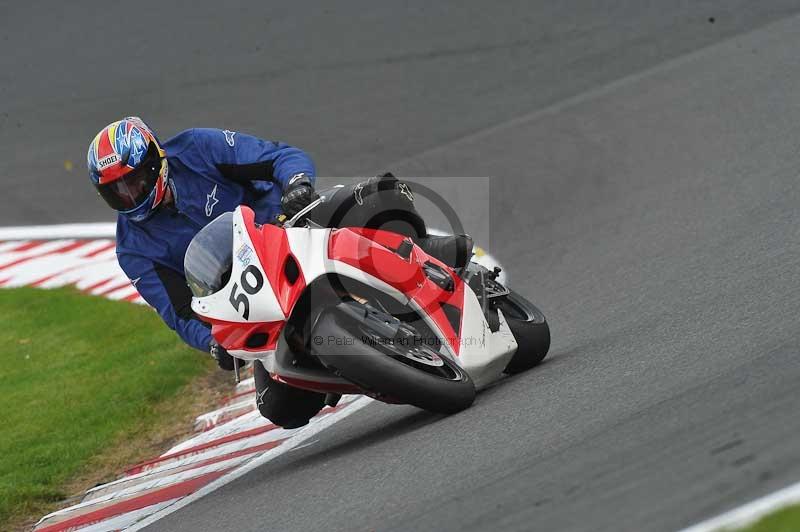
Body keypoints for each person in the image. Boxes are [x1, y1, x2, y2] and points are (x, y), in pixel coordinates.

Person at [87, 117, 472, 425]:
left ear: (156, 162)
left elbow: (277, 156)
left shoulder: (196, 148)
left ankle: (425, 257)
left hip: (289, 228)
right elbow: (180, 312)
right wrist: (211, 342)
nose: (129, 195)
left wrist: (295, 183)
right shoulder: (133, 248)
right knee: (280, 409)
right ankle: (347, 365)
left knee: (379, 196)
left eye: (134, 181)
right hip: (252, 299)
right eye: (116, 191)